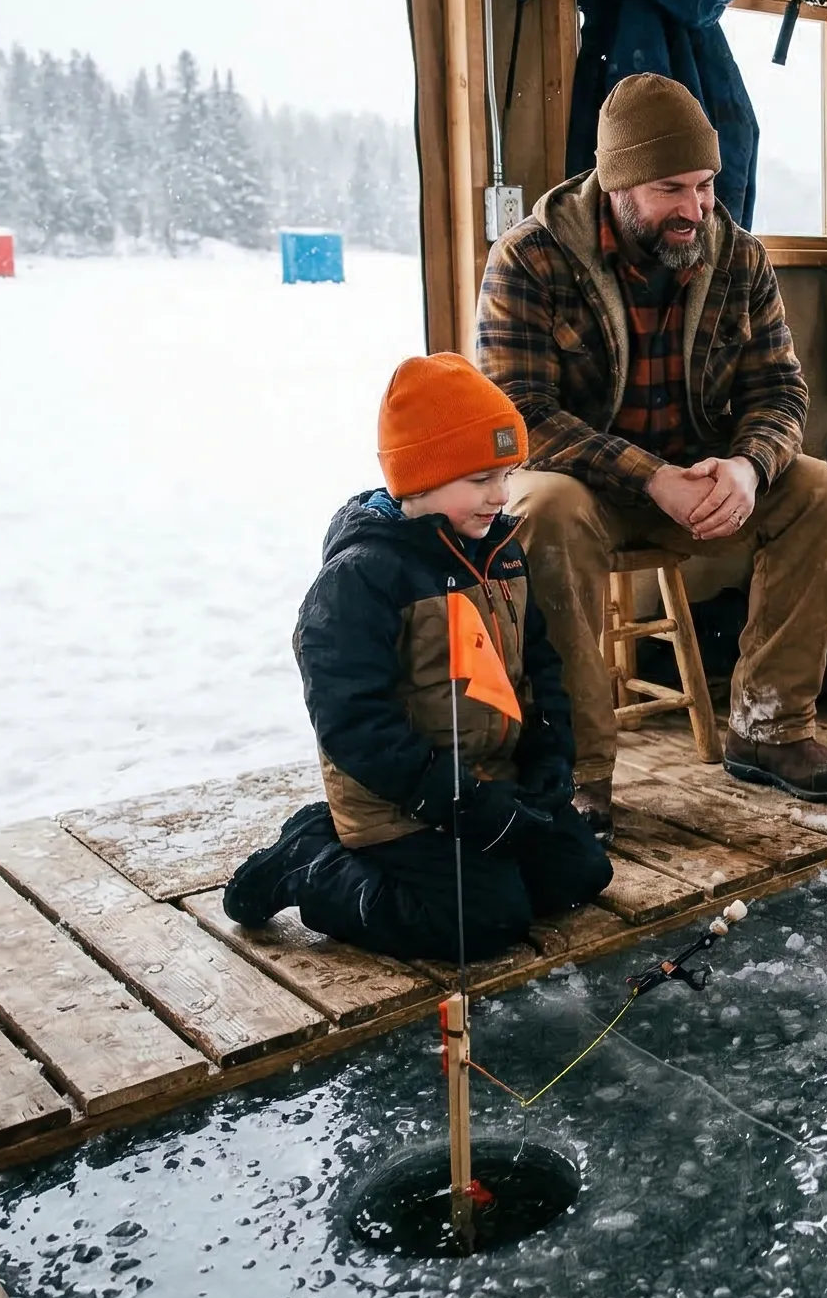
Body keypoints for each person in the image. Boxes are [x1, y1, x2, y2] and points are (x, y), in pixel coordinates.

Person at [477, 73, 827, 827]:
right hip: (583, 489)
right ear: (617, 186)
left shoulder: (738, 258)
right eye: (670, 190)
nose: (695, 209)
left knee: (821, 491)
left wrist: (749, 468)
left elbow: (781, 393)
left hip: (702, 478)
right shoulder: (528, 260)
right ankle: (576, 767)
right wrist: (650, 479)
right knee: (543, 508)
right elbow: (518, 417)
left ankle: (768, 730)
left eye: (705, 184)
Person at [222, 354, 611, 962]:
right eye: (481, 479)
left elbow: (539, 666)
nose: (501, 495)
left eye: (506, 474)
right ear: (422, 478)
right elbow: (353, 724)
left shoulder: (501, 552)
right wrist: (455, 800)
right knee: (480, 923)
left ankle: (463, 853)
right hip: (403, 804)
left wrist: (549, 759)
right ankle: (311, 865)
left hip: (486, 787)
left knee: (579, 875)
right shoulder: (362, 578)